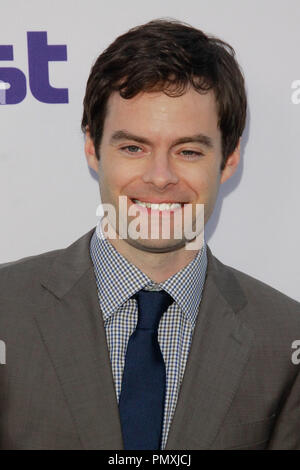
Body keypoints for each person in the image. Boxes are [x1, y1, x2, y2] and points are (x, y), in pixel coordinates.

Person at [0, 18, 300, 451]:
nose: (160, 178)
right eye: (133, 147)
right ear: (92, 148)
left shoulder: (285, 339)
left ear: (229, 159)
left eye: (189, 151)